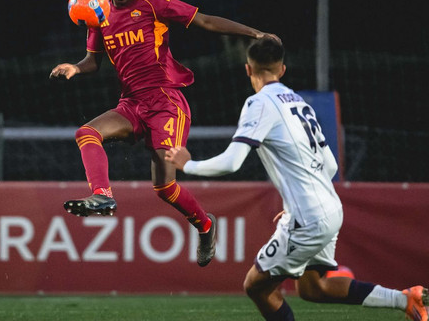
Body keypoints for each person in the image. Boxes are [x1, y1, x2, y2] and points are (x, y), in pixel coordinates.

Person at [165, 36, 428, 319]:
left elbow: (232, 162)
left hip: (309, 216)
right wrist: (296, 205)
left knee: (256, 286)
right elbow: (329, 165)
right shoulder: (300, 103)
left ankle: (408, 301)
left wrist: (188, 164)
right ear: (282, 69)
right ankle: (406, 300)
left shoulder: (259, 103)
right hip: (330, 208)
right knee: (314, 288)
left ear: (248, 69)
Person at [50, 0, 272, 267]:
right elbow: (93, 61)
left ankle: (205, 226)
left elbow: (205, 21)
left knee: (165, 188)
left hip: (165, 102)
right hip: (131, 103)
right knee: (86, 133)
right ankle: (102, 195)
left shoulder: (152, 1)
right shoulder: (98, 12)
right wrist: (75, 67)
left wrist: (256, 34)